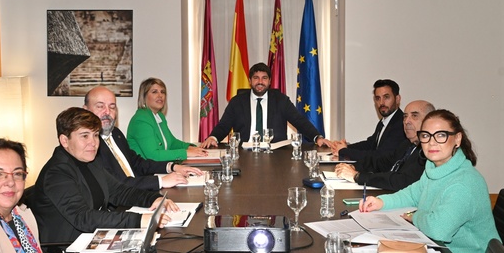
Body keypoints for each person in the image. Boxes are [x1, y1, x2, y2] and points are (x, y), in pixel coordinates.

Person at [31, 107, 178, 253]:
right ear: (64, 140)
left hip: (92, 239)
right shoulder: (57, 172)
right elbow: (83, 218)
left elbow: (119, 191)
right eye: (84, 136)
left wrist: (153, 198)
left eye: (95, 135)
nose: (93, 143)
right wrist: (138, 219)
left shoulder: (91, 161)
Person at [359, 109, 500, 253]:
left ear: (457, 138)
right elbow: (412, 194)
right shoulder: (434, 168)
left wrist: (414, 216)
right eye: (426, 135)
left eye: (440, 135)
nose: (432, 142)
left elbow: (438, 229)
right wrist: (381, 202)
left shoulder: (464, 183)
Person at [83, 86, 202, 190]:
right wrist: (161, 181)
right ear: (86, 110)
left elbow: (137, 163)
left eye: (112, 107)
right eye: (100, 106)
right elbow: (117, 184)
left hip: (139, 191)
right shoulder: (89, 146)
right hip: (120, 205)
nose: (107, 112)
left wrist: (172, 167)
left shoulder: (116, 133)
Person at [199, 62, 332, 148]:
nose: (260, 82)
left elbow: (299, 121)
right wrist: (213, 137)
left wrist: (317, 137)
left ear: (269, 82)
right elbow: (224, 125)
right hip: (244, 153)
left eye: (264, 78)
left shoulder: (281, 100)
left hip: (276, 154)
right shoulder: (237, 102)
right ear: (250, 81)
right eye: (256, 78)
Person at [334, 100, 434, 191]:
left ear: (429, 121)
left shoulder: (428, 151)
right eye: (405, 116)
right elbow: (381, 162)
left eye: (414, 116)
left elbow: (401, 181)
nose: (407, 121)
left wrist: (357, 176)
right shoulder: (406, 144)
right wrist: (353, 167)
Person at [127, 78, 207, 161]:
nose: (160, 95)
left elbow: (172, 143)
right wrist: (186, 153)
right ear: (144, 96)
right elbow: (153, 155)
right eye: (154, 92)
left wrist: (193, 148)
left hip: (158, 168)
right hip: (145, 172)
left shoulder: (159, 116)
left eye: (162, 92)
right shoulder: (141, 120)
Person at [330, 79, 406, 161]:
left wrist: (344, 151)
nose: (382, 103)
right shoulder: (384, 121)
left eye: (386, 97)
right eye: (378, 98)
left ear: (397, 99)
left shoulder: (401, 124)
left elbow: (380, 156)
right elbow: (370, 144)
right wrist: (346, 147)